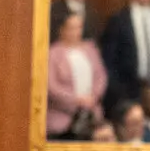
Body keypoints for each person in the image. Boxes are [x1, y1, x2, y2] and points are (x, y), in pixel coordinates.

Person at [46, 12, 108, 140]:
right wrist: (76, 100)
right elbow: (51, 87)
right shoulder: (53, 53)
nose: (76, 32)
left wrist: (93, 97)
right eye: (72, 28)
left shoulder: (90, 49)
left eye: (79, 27)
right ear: (62, 29)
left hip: (90, 112)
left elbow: (101, 76)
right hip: (63, 116)